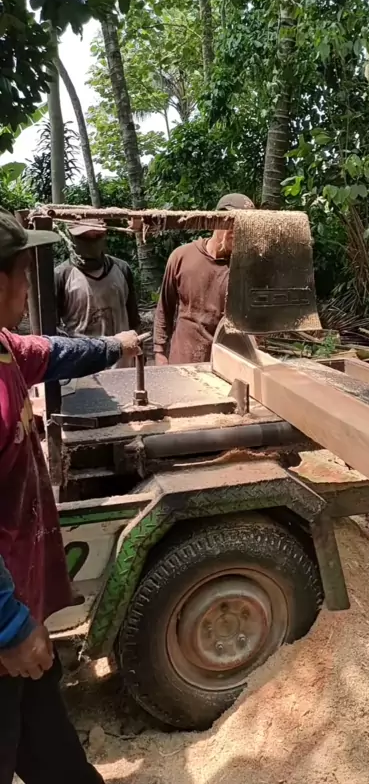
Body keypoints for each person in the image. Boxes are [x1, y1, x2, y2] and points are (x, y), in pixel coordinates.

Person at [0, 212, 142, 784]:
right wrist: (9, 626)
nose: (27, 287)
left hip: (18, 626)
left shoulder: (4, 347)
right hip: (5, 630)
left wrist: (112, 346)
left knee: (55, 756)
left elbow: (50, 352)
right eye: (21, 274)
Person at [154, 193, 255, 365]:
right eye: (231, 223)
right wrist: (159, 351)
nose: (237, 231)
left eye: (245, 226)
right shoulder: (182, 256)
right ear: (215, 221)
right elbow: (165, 307)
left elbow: (253, 320)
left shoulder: (246, 267)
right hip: (183, 359)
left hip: (226, 362)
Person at [55, 222, 140, 366]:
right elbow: (54, 330)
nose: (91, 243)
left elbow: (133, 319)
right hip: (83, 364)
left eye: (97, 236)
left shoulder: (121, 269)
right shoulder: (62, 275)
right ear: (72, 238)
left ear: (104, 235)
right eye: (84, 237)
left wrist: (138, 356)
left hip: (122, 363)